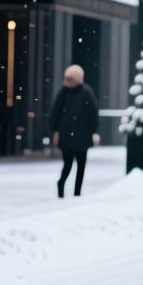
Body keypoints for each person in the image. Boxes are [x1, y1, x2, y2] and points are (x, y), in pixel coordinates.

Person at [49, 64, 100, 198]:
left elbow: (56, 112)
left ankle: (69, 188)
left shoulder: (67, 92)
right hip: (76, 136)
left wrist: (55, 129)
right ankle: (72, 190)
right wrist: (93, 130)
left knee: (72, 165)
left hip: (73, 135)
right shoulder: (83, 92)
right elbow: (93, 114)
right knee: (75, 165)